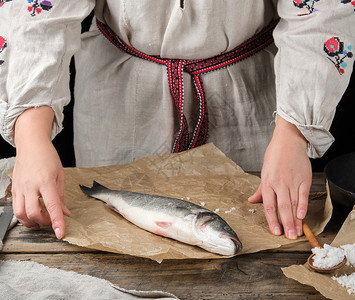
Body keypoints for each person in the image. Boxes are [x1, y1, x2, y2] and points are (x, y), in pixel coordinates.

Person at [0, 1, 353, 241]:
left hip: (254, 104)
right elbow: (38, 12)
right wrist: (31, 135)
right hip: (121, 102)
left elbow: (321, 11)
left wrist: (293, 132)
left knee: (250, 230)